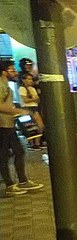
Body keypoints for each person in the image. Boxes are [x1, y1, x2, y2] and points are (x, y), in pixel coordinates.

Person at [0, 60, 44, 196]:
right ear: (4, 72)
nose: (15, 72)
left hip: (9, 124)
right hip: (2, 125)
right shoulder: (1, 85)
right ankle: (9, 185)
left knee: (19, 151)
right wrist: (18, 111)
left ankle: (23, 181)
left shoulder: (6, 85)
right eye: (12, 70)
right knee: (4, 155)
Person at [19, 72, 45, 150]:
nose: (30, 81)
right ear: (24, 80)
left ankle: (37, 142)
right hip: (26, 108)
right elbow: (25, 100)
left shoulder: (32, 89)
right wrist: (33, 98)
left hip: (34, 107)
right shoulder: (22, 89)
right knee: (30, 127)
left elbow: (37, 99)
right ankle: (32, 144)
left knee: (40, 125)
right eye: (29, 79)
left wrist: (32, 99)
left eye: (31, 79)